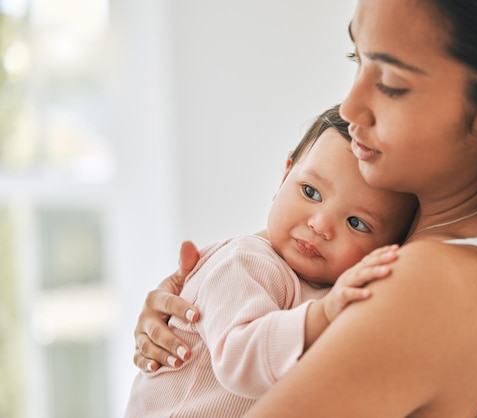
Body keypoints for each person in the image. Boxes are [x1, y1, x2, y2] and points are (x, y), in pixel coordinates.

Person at [132, 0, 477, 416]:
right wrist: (206, 303)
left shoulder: (430, 283)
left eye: (390, 80)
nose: (350, 108)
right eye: (358, 59)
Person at [124, 105, 419, 417]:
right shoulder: (244, 263)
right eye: (311, 192)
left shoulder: (336, 288)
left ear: (391, 245)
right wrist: (324, 315)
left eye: (356, 223)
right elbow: (239, 359)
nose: (320, 224)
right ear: (285, 175)